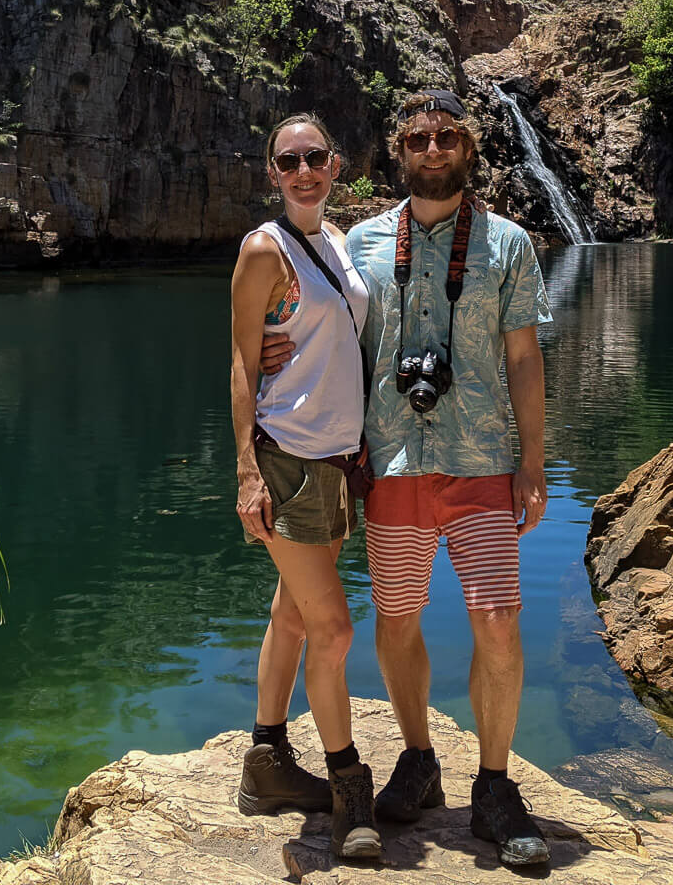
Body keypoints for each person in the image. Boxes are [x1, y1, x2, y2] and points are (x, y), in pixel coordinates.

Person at [264, 88, 554, 867]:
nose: (433, 150)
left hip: (483, 463)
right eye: (418, 139)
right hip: (388, 467)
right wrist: (272, 353)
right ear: (397, 151)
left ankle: (493, 786)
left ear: (469, 147)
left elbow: (524, 357)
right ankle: (420, 760)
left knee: (497, 620)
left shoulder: (509, 244)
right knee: (397, 620)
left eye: (447, 137)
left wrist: (534, 462)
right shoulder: (356, 245)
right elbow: (312, 330)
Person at [229, 113, 380, 861]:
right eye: (289, 160)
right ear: (272, 172)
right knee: (335, 630)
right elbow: (242, 363)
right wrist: (246, 469)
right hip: (286, 458)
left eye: (315, 156)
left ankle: (265, 760)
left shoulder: (338, 244)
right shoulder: (266, 247)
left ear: (336, 163)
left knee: (292, 614)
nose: (303, 169)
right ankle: (349, 786)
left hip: (337, 463)